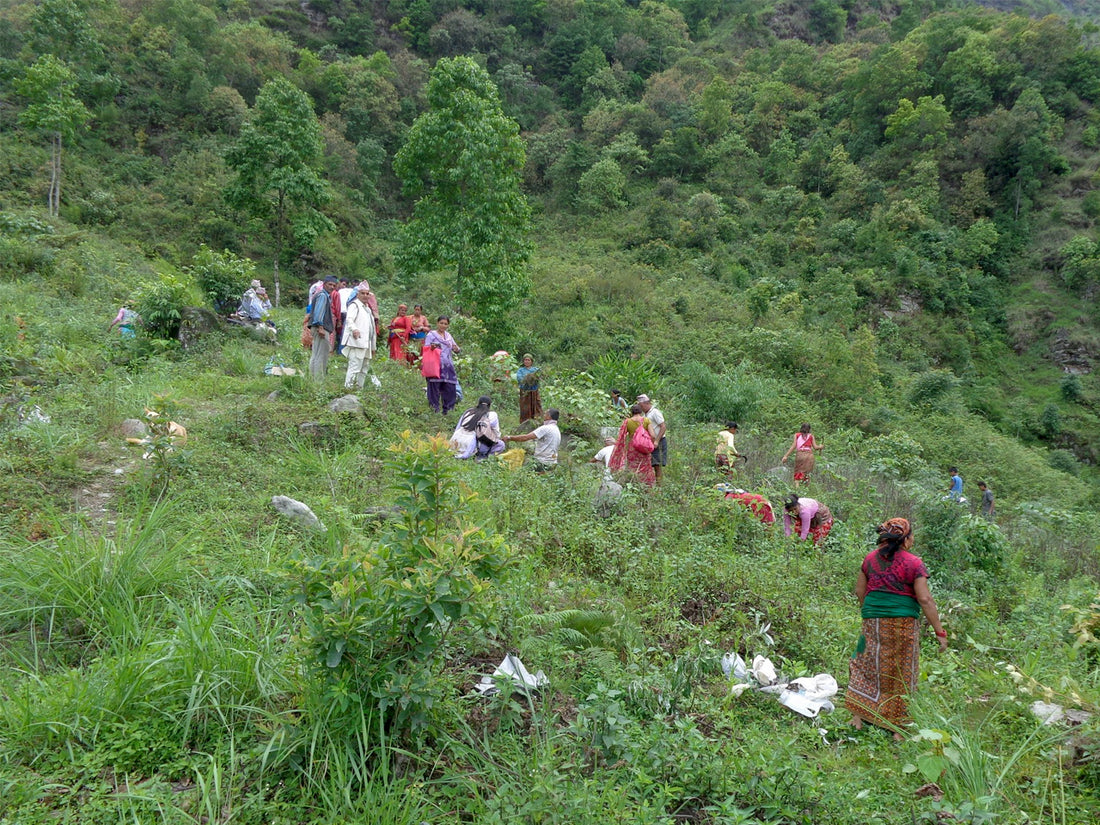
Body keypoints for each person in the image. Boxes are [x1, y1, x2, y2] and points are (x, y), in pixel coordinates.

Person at [845, 517, 948, 739]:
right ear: (906, 539)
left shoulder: (869, 560)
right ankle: (897, 728)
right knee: (902, 670)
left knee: (864, 662)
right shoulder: (914, 563)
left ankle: (859, 716)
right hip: (903, 622)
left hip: (872, 620)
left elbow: (859, 592)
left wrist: (871, 613)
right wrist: (940, 631)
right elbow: (925, 599)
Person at [609, 404, 656, 487]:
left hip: (633, 448)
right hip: (644, 448)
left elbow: (621, 437)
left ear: (632, 412)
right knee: (645, 467)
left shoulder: (627, 422)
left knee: (633, 467)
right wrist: (649, 444)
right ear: (640, 411)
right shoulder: (646, 420)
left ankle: (633, 484)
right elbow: (652, 435)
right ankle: (645, 486)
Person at [341, 284, 377, 389]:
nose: (365, 296)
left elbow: (371, 329)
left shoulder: (367, 309)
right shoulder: (354, 305)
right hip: (357, 342)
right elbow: (349, 319)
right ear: (358, 294)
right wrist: (354, 329)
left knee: (364, 367)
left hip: (366, 343)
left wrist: (373, 347)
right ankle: (348, 388)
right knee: (354, 366)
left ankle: (359, 388)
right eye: (363, 293)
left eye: (367, 293)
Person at [424, 315, 461, 414]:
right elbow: (426, 348)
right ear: (437, 323)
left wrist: (456, 349)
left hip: (448, 366)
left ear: (448, 325)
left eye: (445, 324)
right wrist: (433, 347)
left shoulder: (448, 336)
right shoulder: (431, 335)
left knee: (449, 388)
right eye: (441, 323)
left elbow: (456, 348)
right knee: (434, 388)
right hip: (435, 365)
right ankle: (434, 410)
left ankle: (448, 411)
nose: (443, 325)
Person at [308, 276, 337, 380]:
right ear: (324, 284)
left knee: (315, 354)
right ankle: (318, 381)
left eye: (334, 285)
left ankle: (312, 378)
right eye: (330, 284)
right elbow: (319, 312)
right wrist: (320, 327)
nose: (332, 287)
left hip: (316, 327)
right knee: (322, 355)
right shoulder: (323, 296)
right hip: (321, 328)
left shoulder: (321, 295)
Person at [637, 394, 667, 483]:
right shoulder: (645, 414)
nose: (641, 408)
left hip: (659, 441)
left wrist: (657, 441)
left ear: (647, 403)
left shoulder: (655, 412)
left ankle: (659, 486)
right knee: (650, 465)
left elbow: (663, 427)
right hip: (650, 442)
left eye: (641, 406)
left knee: (657, 465)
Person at [515, 354, 543, 425]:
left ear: (531, 361)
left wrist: (534, 379)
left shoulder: (536, 370)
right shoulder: (520, 370)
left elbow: (539, 377)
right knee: (525, 408)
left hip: (534, 392)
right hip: (525, 392)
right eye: (525, 360)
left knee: (536, 406)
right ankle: (525, 423)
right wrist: (527, 379)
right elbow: (520, 379)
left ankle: (537, 422)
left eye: (528, 360)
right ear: (523, 361)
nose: (527, 361)